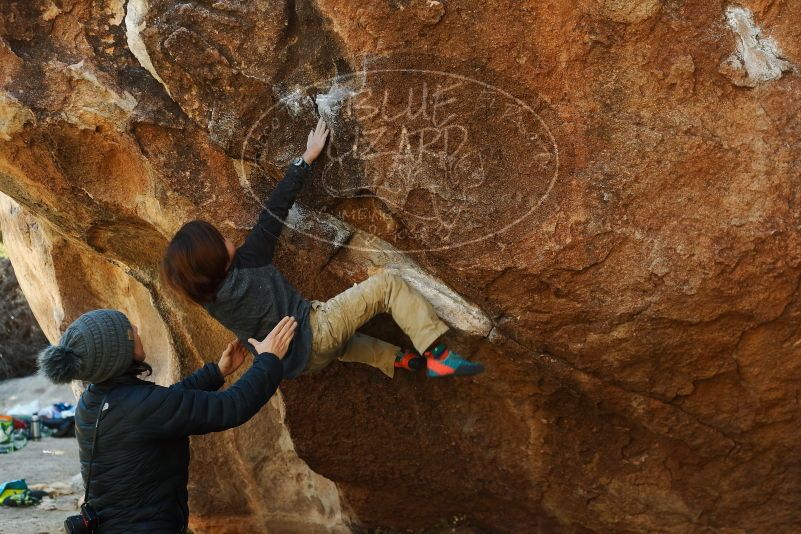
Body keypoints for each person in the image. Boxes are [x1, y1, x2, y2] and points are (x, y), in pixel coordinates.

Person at [162, 118, 484, 380]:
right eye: (219, 241)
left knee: (344, 344)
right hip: (316, 331)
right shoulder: (251, 259)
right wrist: (307, 158)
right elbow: (274, 209)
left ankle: (400, 360)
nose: (225, 238)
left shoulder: (210, 301)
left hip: (296, 364)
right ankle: (436, 354)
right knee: (388, 286)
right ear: (216, 260)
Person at [38, 309, 297, 533]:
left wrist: (217, 372)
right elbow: (231, 407)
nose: (137, 329)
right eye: (129, 330)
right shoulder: (139, 405)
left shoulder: (91, 401)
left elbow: (168, 402)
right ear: (116, 353)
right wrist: (269, 359)